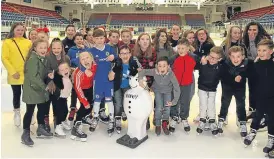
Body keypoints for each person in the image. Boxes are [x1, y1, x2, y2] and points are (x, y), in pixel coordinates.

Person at [243, 39, 274, 154]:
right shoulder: (255, 65)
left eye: (264, 50)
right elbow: (249, 78)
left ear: (271, 51)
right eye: (259, 50)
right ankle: (253, 131)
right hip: (260, 97)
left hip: (272, 98)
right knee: (257, 116)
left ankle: (271, 138)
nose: (260, 53)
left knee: (271, 119)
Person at [21, 39, 53, 146]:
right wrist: (45, 87)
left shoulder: (44, 58)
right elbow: (33, 77)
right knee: (30, 111)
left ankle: (40, 128)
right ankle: (25, 133)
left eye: (45, 48)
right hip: (32, 89)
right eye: (41, 48)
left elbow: (46, 70)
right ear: (35, 48)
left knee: (42, 108)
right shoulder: (32, 59)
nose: (43, 50)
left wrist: (49, 74)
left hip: (40, 89)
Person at [138, 57, 180, 136]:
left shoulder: (171, 74)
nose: (162, 68)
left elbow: (176, 87)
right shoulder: (155, 71)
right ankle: (157, 124)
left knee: (167, 107)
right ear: (157, 66)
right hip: (157, 91)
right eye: (160, 66)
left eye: (164, 66)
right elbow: (142, 71)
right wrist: (140, 79)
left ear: (168, 66)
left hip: (167, 91)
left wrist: (174, 101)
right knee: (159, 107)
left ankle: (164, 122)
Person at [1, 22, 32, 127]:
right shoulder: (7, 42)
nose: (20, 32)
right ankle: (17, 113)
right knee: (16, 94)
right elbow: (5, 58)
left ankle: (30, 113)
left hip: (27, 73)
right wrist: (12, 72)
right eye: (18, 30)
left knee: (28, 94)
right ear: (13, 30)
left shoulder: (28, 42)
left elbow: (32, 57)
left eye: (22, 30)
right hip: (15, 74)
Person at [88, 29, 117, 136]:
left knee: (109, 100)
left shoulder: (110, 48)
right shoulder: (90, 51)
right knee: (97, 100)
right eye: (97, 38)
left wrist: (114, 57)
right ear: (93, 39)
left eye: (101, 38)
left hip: (108, 80)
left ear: (105, 38)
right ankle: (95, 118)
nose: (99, 40)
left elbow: (117, 61)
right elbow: (83, 61)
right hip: (97, 80)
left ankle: (111, 120)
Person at [108, 45, 141, 134]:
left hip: (128, 87)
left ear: (130, 54)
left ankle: (129, 117)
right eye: (122, 53)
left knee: (127, 102)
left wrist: (139, 72)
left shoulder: (133, 63)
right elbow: (110, 78)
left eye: (127, 53)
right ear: (119, 55)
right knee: (118, 103)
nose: (125, 55)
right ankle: (117, 119)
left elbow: (139, 73)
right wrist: (113, 72)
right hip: (117, 87)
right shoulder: (117, 64)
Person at [169, 38, 199, 133]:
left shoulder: (193, 57)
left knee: (185, 102)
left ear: (188, 49)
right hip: (175, 85)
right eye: (179, 48)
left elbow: (200, 63)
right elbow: (165, 65)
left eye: (183, 48)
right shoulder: (173, 58)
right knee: (175, 100)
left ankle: (184, 118)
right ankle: (174, 117)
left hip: (187, 84)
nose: (181, 50)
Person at [217, 46, 248, 137]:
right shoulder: (225, 64)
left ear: (242, 57)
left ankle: (242, 121)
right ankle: (222, 118)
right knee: (225, 103)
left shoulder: (246, 64)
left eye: (238, 56)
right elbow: (223, 76)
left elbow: (249, 72)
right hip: (227, 88)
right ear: (229, 57)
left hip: (240, 89)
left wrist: (241, 77)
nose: (235, 59)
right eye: (233, 56)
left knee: (241, 105)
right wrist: (233, 79)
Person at [196, 46, 223, 136]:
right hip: (202, 88)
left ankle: (212, 120)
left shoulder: (220, 67)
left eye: (215, 58)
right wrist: (202, 63)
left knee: (211, 104)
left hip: (212, 90)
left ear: (219, 59)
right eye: (211, 56)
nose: (212, 59)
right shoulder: (204, 63)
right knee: (203, 104)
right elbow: (201, 72)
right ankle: (202, 120)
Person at [71, 52, 97, 141]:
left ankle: (85, 117)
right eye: (82, 59)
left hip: (91, 88)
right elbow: (77, 88)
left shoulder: (95, 65)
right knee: (85, 106)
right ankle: (76, 127)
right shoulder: (79, 72)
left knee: (92, 104)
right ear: (79, 62)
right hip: (81, 90)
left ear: (92, 59)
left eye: (87, 58)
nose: (86, 60)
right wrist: (84, 101)